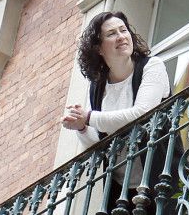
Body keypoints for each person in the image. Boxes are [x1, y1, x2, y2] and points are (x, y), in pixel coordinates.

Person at [62, 11, 170, 211]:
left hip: (162, 179)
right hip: (122, 191)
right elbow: (98, 142)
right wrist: (82, 128)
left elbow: (143, 113)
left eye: (123, 30)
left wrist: (88, 117)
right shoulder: (98, 87)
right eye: (111, 34)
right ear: (98, 48)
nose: (121, 36)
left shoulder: (152, 67)